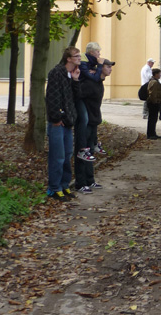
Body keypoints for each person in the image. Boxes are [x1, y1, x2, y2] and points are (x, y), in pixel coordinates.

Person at [46, 47, 82, 202]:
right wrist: (56, 118)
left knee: (67, 155)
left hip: (67, 122)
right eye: (77, 56)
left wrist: (75, 80)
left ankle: (64, 185)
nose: (80, 58)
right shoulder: (56, 73)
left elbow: (76, 97)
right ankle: (54, 189)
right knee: (58, 156)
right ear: (68, 58)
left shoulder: (70, 75)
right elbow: (52, 96)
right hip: (58, 123)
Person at [76, 59, 115, 193]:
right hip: (86, 123)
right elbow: (78, 95)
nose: (110, 69)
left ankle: (90, 180)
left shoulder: (99, 83)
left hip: (94, 122)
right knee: (83, 151)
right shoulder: (89, 83)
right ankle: (80, 183)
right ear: (100, 68)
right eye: (107, 66)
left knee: (90, 152)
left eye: (110, 66)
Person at [77, 42, 104, 164]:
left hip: (85, 94)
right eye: (98, 52)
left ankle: (94, 143)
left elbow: (95, 76)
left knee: (94, 120)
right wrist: (98, 67)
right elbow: (94, 78)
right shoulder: (84, 63)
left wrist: (94, 69)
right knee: (85, 120)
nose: (99, 54)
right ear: (92, 52)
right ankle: (83, 148)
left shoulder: (90, 63)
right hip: (81, 95)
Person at [146, 68, 161, 140]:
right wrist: (155, 101)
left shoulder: (154, 81)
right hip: (153, 103)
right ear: (156, 74)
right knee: (152, 119)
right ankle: (151, 134)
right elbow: (153, 93)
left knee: (153, 119)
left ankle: (153, 133)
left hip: (154, 102)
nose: (160, 75)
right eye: (159, 73)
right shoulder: (154, 82)